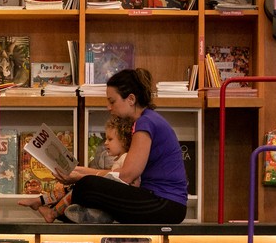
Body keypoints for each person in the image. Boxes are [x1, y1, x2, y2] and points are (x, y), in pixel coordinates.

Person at [23, 68, 188, 224]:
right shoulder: (147, 120)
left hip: (166, 204)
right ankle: (88, 213)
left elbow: (126, 176)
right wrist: (77, 171)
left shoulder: (146, 122)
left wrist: (81, 176)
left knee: (86, 186)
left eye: (112, 101)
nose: (108, 107)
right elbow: (119, 175)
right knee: (83, 187)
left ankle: (71, 211)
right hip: (160, 201)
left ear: (131, 99)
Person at [19, 115, 134, 223]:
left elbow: (122, 178)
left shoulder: (126, 158)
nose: (105, 143)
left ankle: (52, 213)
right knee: (70, 188)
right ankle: (40, 201)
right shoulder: (120, 159)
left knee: (76, 189)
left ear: (124, 140)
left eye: (110, 139)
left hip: (112, 204)